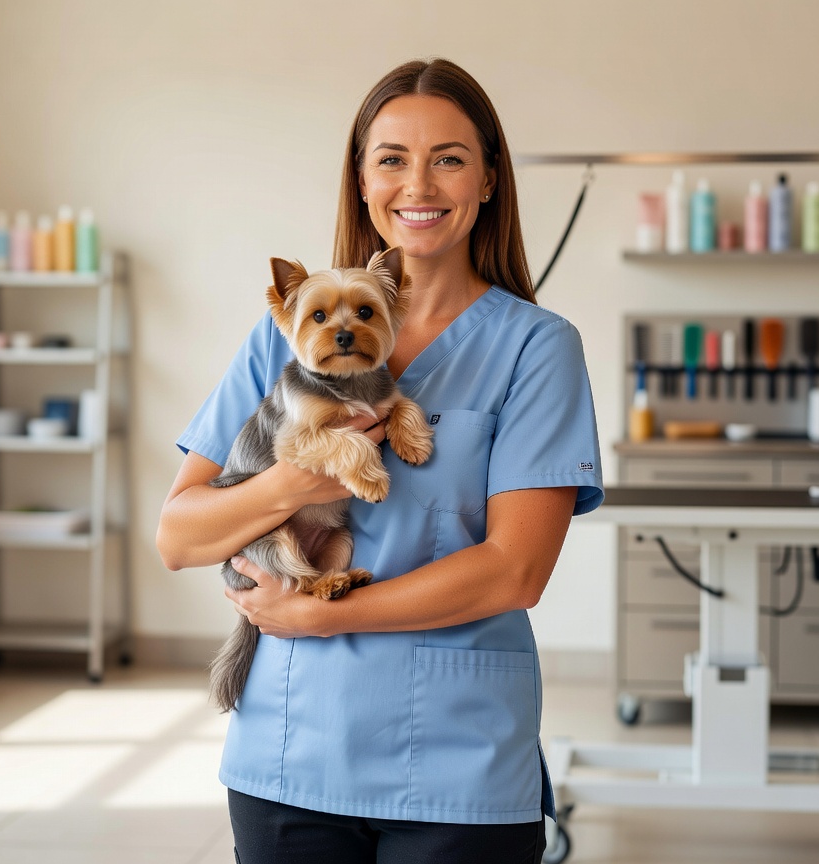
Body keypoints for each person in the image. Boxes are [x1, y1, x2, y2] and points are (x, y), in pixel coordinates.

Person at [157, 57, 603, 864]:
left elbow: (515, 572)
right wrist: (297, 480)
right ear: (362, 181)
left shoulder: (537, 349)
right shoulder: (282, 336)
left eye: (450, 158)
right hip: (288, 751)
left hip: (457, 763)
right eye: (392, 158)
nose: (419, 185)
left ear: (490, 180)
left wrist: (322, 614)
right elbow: (181, 536)